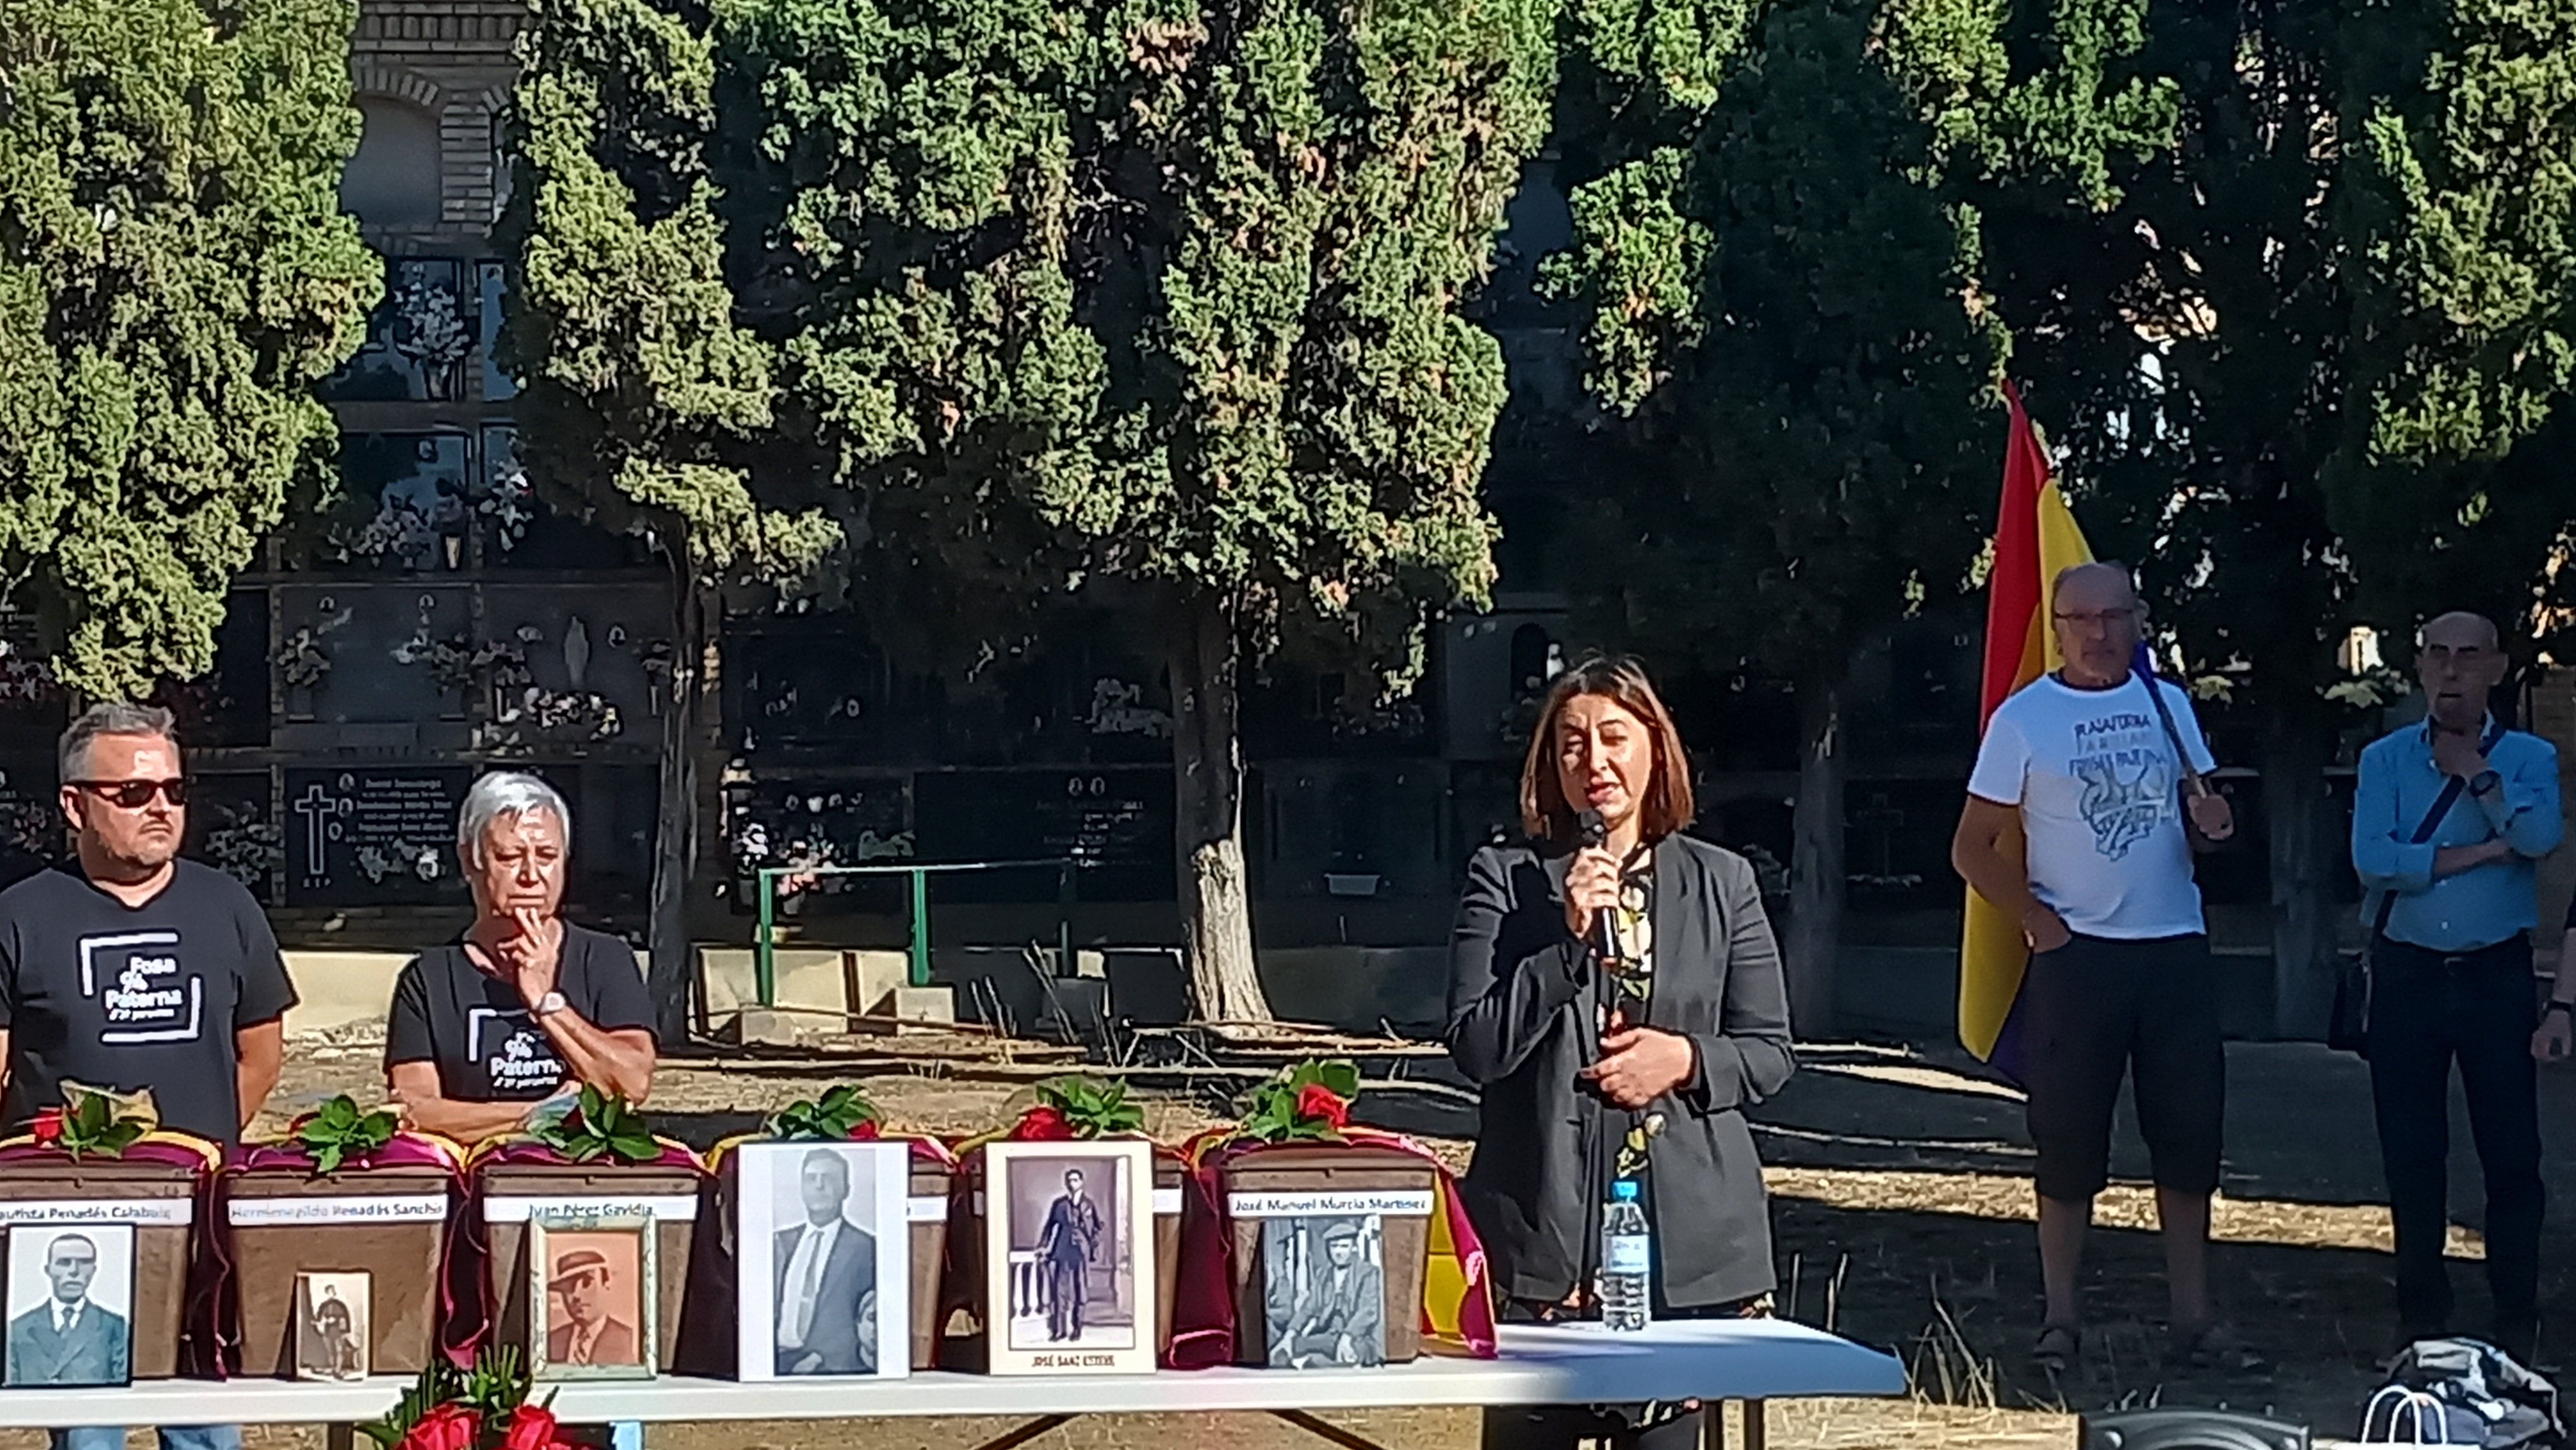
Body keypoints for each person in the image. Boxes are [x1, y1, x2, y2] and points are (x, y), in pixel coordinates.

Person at [1448, 656, 1794, 1450]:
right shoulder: (1503, 880)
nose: (1594, 761)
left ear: (1653, 748)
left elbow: (1770, 1052)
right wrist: (1564, 945)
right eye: (1571, 745)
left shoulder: (1724, 882)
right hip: (1543, 1245)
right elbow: (1477, 1046)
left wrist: (1684, 1060)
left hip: (1687, 1254)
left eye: (1613, 737)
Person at [1950, 562, 2256, 1374]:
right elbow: (1971, 846)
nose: (2097, 632)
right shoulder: (2025, 720)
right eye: (2079, 618)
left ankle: (2192, 1316)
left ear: (2139, 619)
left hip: (2173, 950)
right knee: (2067, 1140)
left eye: (2112, 616)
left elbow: (2199, 819)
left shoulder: (2168, 705)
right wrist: (2038, 924)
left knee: (2189, 1136)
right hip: (2078, 959)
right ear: (2056, 626)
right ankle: (2061, 1316)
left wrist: (2213, 828)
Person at [0, 702, 295, 1450]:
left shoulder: (226, 906)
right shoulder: (20, 915)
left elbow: (260, 1051)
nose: (160, 806)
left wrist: (193, 1153)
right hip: (68, 1224)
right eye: (133, 793)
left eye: (171, 789)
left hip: (198, 1218)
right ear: (75, 804)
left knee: (204, 1427)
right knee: (88, 1432)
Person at [2350, 611, 2560, 1359]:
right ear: (2419, 666)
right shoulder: (2384, 760)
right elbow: (2373, 859)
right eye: (2437, 654)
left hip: (2495, 972)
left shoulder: (2531, 757)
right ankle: (2420, 1312)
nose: (2451, 670)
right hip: (2409, 971)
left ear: (2497, 668)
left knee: (2511, 1151)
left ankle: (2515, 1312)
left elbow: (2538, 839)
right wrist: (2474, 853)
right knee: (2412, 1149)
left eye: (2469, 656)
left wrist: (2480, 779)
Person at [384, 772, 655, 1142]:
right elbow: (413, 1111)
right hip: (474, 1178)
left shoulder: (605, 959)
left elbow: (632, 1083)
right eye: (509, 857)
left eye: (547, 856)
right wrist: (545, 1113)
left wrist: (547, 1002)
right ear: (470, 860)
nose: (531, 875)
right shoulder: (428, 979)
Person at [773, 1147, 880, 1375]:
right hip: (775, 1363)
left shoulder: (867, 1248)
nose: (819, 1186)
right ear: (802, 1188)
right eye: (811, 1179)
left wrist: (819, 1361)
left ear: (846, 1190)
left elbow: (868, 1317)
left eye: (829, 1178)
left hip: (832, 1369)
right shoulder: (779, 1243)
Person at [5, 1235, 129, 1386]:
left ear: (94, 1270)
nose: (74, 1271)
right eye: (64, 1262)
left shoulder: (114, 1328)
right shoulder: (18, 1329)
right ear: (48, 1269)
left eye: (84, 1262)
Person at [1275, 1219, 1384, 1368]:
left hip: (1359, 1337)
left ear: (1354, 1248)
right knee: (1292, 1347)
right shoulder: (1324, 1274)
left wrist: (1347, 1337)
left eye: (1344, 1246)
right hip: (1329, 1335)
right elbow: (1309, 1307)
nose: (1338, 1252)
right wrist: (1290, 1333)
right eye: (1334, 1247)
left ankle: (1319, 1363)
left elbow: (1368, 1311)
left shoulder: (1368, 1273)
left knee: (1350, 1353)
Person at [1035, 1168, 1102, 1343]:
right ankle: (1059, 1330)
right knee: (1059, 1291)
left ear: (1081, 1182)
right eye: (1069, 1181)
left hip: (1081, 1252)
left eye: (1075, 1180)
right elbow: (1050, 1226)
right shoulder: (1060, 1205)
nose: (1072, 1184)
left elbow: (1097, 1227)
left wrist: (1093, 1247)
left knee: (1081, 1292)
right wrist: (1044, 1246)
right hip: (1062, 1251)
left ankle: (1077, 1328)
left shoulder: (1089, 1204)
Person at [546, 1249, 639, 1365]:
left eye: (586, 1283)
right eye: (568, 1289)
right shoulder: (550, 1342)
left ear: (606, 1283)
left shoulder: (631, 1342)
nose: (576, 1295)